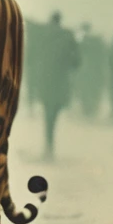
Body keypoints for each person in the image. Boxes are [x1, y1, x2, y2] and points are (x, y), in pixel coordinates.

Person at [34, 11, 80, 160]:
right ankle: (49, 145)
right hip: (61, 80)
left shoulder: (41, 35)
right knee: (54, 113)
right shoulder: (68, 36)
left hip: (45, 80)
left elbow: (32, 56)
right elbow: (77, 61)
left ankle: (48, 145)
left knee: (48, 113)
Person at [74, 23, 107, 120]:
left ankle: (87, 110)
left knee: (85, 91)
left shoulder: (81, 41)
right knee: (93, 91)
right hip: (94, 72)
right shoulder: (97, 41)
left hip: (85, 72)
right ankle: (92, 109)